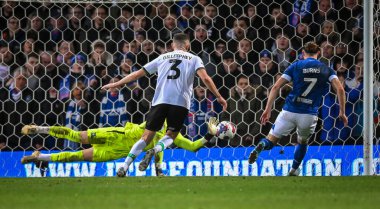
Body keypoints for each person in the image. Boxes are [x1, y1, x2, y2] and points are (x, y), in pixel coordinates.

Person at [102, 33, 227, 176]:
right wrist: (219, 97)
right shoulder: (194, 59)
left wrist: (116, 83)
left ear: (173, 45)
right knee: (171, 135)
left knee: (146, 137)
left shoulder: (162, 57)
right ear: (188, 45)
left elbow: (137, 74)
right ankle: (154, 150)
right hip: (180, 103)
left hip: (160, 102)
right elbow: (205, 78)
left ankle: (124, 167)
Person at [248, 42, 348, 176]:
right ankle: (294, 169)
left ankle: (261, 146)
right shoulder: (326, 69)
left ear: (303, 53)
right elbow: (340, 89)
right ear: (318, 53)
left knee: (271, 140)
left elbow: (276, 87)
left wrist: (267, 109)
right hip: (308, 114)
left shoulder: (296, 66)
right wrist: (342, 112)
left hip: (289, 111)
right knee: (302, 141)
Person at [20, 118, 220, 177]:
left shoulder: (174, 134)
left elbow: (193, 147)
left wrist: (211, 135)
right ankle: (40, 129)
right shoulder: (160, 114)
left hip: (117, 151)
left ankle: (39, 157)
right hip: (117, 134)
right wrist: (158, 167)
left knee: (77, 156)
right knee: (78, 136)